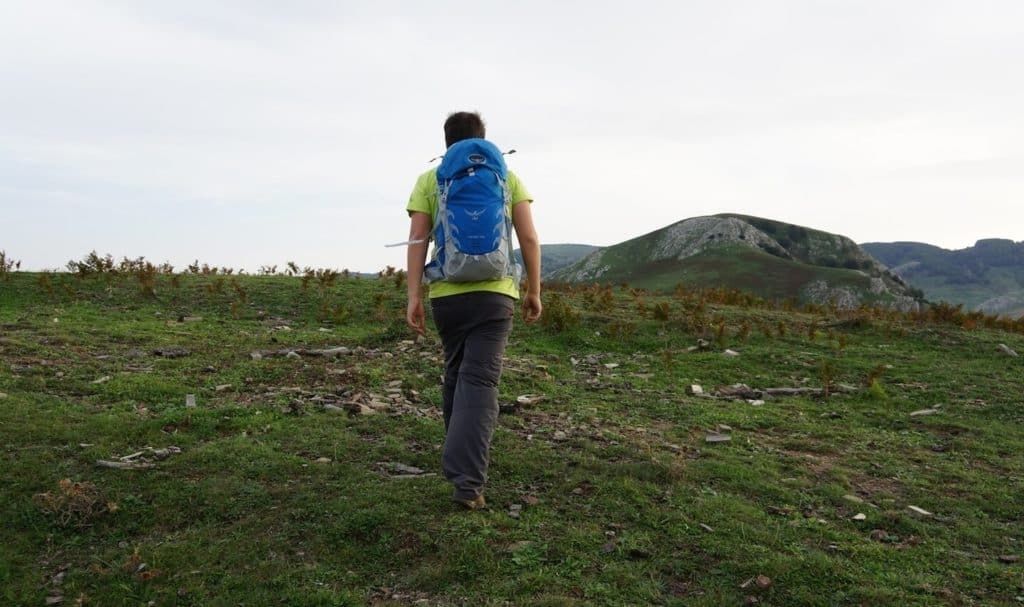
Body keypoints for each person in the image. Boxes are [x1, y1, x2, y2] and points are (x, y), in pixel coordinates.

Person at [405, 111, 542, 510]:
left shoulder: (431, 179)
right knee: (479, 381)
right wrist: (534, 290)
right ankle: (468, 484)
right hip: (495, 295)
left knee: (456, 372)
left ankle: (459, 462)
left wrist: (413, 295)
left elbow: (417, 239)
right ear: (483, 140)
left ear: (447, 142)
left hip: (447, 294)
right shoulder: (506, 177)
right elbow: (529, 237)